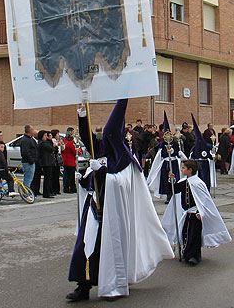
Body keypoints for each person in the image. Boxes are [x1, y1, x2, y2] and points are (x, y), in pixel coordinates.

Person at [67, 99, 173, 302]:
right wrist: (82, 115)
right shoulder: (103, 149)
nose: (107, 139)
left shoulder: (125, 161)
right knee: (85, 247)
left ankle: (114, 285)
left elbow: (121, 184)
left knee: (109, 250)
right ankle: (83, 286)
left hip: (113, 216)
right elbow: (88, 139)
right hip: (95, 212)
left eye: (110, 136)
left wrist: (103, 172)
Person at [162, 159, 231, 265]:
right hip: (187, 214)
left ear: (190, 170)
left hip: (196, 214)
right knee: (185, 233)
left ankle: (194, 256)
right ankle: (186, 253)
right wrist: (171, 180)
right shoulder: (184, 182)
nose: (182, 170)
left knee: (194, 235)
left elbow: (203, 200)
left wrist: (200, 212)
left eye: (184, 168)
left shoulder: (198, 183)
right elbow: (174, 190)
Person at [147, 112, 181, 203]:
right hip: (165, 164)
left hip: (173, 163)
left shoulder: (174, 143)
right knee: (166, 180)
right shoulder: (162, 144)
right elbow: (158, 152)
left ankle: (174, 194)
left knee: (174, 179)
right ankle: (168, 195)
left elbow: (178, 153)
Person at [189, 115, 216, 190]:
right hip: (198, 164)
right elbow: (192, 155)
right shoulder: (195, 147)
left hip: (205, 163)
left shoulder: (206, 146)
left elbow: (211, 155)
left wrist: (213, 154)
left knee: (205, 177)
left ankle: (206, 189)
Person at [37, 130, 56, 198]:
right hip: (46, 162)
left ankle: (47, 192)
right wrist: (53, 146)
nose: (46, 137)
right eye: (45, 135)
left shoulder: (45, 143)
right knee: (47, 178)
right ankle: (46, 193)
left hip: (48, 162)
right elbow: (52, 149)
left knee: (49, 178)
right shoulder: (43, 144)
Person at [20, 125, 37, 189]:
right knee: (28, 179)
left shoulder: (30, 139)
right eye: (32, 130)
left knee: (29, 179)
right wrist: (31, 160)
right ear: (29, 131)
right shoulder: (25, 140)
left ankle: (26, 192)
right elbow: (26, 152)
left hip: (30, 161)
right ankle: (25, 193)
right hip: (28, 162)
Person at [62, 128, 77, 194]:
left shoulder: (64, 141)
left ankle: (66, 187)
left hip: (65, 160)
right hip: (70, 161)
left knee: (66, 175)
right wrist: (79, 151)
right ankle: (71, 188)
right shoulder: (71, 143)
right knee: (70, 176)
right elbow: (74, 151)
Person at [51, 129, 62, 195]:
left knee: (57, 175)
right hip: (54, 159)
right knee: (54, 175)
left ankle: (57, 189)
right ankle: (54, 189)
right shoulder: (53, 141)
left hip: (58, 158)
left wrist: (61, 144)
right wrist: (58, 144)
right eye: (57, 134)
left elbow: (62, 149)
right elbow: (55, 149)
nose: (58, 135)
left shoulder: (58, 141)